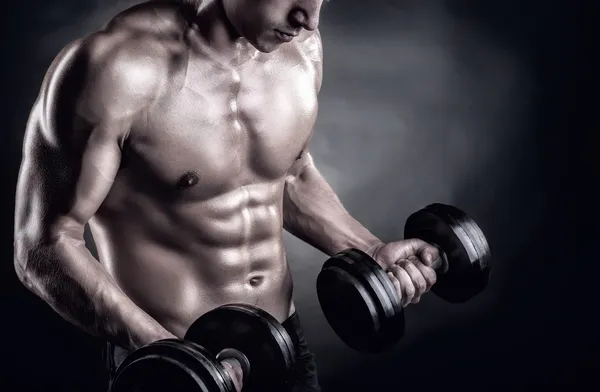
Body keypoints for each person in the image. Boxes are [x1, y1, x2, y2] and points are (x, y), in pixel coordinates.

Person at [13, 0, 440, 391]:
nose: (308, 18)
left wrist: (368, 248)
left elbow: (290, 176)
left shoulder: (303, 50)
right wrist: (171, 357)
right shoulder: (115, 69)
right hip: (172, 359)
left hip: (281, 346)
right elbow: (44, 246)